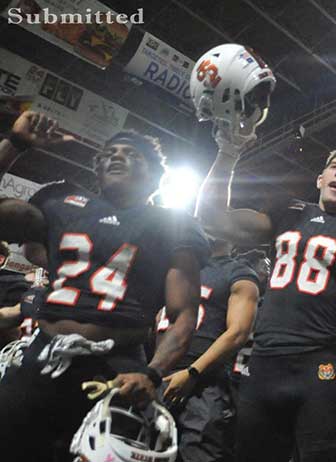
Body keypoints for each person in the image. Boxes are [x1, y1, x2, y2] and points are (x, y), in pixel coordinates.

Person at [0, 111, 208, 461]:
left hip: (117, 367)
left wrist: (152, 374)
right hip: (43, 355)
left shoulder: (172, 224)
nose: (116, 156)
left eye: (131, 153)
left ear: (156, 175)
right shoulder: (61, 202)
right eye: (109, 153)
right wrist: (15, 144)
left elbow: (184, 313)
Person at [195, 140, 336, 461]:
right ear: (319, 179)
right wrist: (227, 149)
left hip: (315, 367)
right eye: (335, 167)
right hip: (262, 365)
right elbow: (212, 219)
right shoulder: (288, 214)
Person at [155, 237, 260, 462]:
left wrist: (193, 372)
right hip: (158, 374)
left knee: (199, 453)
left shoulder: (238, 273)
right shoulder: (173, 264)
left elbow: (238, 333)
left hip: (203, 383)